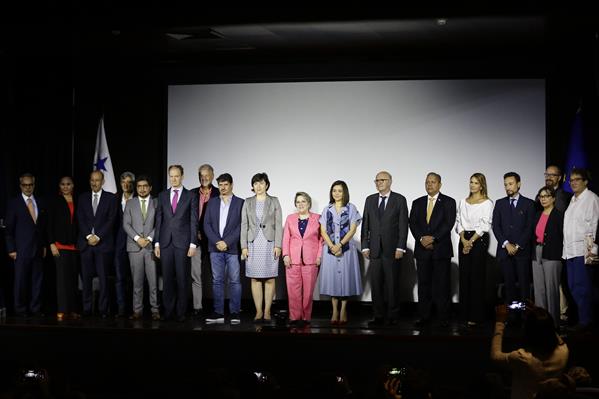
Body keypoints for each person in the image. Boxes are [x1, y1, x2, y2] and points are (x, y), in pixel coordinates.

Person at [491, 304, 569, 399]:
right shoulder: (563, 351)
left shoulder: (523, 358)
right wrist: (541, 318)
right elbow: (550, 332)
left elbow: (495, 356)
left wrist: (499, 322)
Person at [409, 172, 456, 328]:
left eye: (433, 182)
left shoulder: (449, 202)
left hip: (440, 249)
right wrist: (422, 239)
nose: (429, 185)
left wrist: (433, 238)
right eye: (427, 182)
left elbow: (448, 224)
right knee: (424, 285)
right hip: (422, 250)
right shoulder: (417, 202)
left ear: (440, 184)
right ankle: (424, 317)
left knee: (442, 285)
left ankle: (443, 318)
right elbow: (413, 223)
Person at [361, 171, 408, 327]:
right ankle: (378, 316)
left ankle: (393, 316)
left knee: (392, 284)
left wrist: (401, 247)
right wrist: (365, 245)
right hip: (374, 249)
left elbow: (403, 225)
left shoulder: (399, 200)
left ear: (390, 181)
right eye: (377, 180)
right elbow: (365, 224)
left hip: (392, 249)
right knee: (376, 284)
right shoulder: (370, 200)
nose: (379, 182)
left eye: (382, 180)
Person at [154, 165, 198, 322]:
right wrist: (157, 243)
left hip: (183, 243)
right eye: (171, 176)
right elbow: (159, 220)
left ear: (182, 176)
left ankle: (181, 312)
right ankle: (168, 311)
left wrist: (193, 244)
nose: (173, 179)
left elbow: (194, 221)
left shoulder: (191, 196)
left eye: (176, 176)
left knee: (182, 279)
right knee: (167, 279)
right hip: (165, 243)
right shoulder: (162, 195)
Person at [492, 172, 535, 323]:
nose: (507, 187)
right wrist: (506, 244)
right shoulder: (500, 203)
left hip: (521, 252)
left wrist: (517, 245)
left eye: (510, 184)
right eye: (505, 184)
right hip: (505, 251)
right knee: (509, 286)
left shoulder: (529, 204)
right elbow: (496, 226)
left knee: (523, 286)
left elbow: (530, 228)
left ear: (519, 184)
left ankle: (524, 315)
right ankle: (513, 314)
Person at [241, 172, 283, 322]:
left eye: (261, 183)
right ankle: (258, 311)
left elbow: (278, 224)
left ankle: (267, 311)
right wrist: (243, 246)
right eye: (255, 183)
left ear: (266, 184)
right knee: (255, 279)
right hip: (252, 243)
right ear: (253, 186)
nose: (258, 186)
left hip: (269, 243)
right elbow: (244, 225)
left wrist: (278, 245)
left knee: (270, 278)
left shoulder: (274, 201)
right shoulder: (247, 202)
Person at [320, 180, 363, 324]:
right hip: (330, 248)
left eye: (339, 191)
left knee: (346, 279)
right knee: (333, 280)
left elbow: (352, 229)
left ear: (344, 192)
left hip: (346, 249)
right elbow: (323, 230)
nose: (336, 193)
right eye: (334, 191)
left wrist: (340, 245)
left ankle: (343, 310)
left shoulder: (351, 208)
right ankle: (334, 311)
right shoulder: (327, 209)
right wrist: (332, 246)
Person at [203, 173, 244, 324]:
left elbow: (242, 226)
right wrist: (217, 242)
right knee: (217, 281)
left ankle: (235, 312)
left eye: (226, 184)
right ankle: (218, 312)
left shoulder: (240, 203)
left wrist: (226, 242)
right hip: (215, 248)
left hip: (232, 248)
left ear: (232, 185)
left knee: (234, 281)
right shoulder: (212, 202)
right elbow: (206, 225)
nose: (223, 187)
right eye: (220, 184)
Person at [5, 173, 47, 317]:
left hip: (38, 250)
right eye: (25, 185)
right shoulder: (14, 203)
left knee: (37, 281)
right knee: (20, 282)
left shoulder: (40, 202)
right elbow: (9, 230)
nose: (28, 187)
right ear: (20, 185)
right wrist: (11, 249)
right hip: (21, 250)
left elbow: (42, 228)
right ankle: (20, 309)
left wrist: (44, 246)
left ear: (34, 185)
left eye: (30, 185)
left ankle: (35, 309)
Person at [77, 170, 117, 318]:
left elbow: (111, 220)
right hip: (86, 245)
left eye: (97, 180)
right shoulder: (82, 198)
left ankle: (103, 310)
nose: (94, 183)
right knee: (86, 280)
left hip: (103, 244)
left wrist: (98, 236)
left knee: (103, 279)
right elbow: (79, 218)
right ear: (90, 181)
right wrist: (88, 236)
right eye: (92, 180)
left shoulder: (111, 198)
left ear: (103, 181)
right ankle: (87, 309)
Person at [563, 168, 599, 332]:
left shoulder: (591, 198)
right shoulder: (573, 200)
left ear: (585, 181)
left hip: (583, 251)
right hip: (570, 250)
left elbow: (594, 225)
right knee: (573, 286)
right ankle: (583, 320)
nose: (573, 182)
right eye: (571, 180)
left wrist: (593, 251)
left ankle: (587, 322)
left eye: (577, 179)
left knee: (583, 288)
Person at [456, 173, 493, 327]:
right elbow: (459, 222)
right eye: (471, 182)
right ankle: (464, 313)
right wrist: (464, 240)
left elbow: (484, 225)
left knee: (476, 278)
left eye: (476, 183)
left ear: (481, 185)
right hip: (464, 239)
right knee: (464, 277)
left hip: (479, 239)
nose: (472, 185)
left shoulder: (487, 203)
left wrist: (470, 242)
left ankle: (476, 315)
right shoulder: (463, 202)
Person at [123, 175, 160, 320]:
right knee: (136, 282)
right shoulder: (130, 203)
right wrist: (138, 239)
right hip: (135, 247)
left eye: (145, 186)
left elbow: (159, 223)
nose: (142, 189)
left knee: (153, 281)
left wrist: (149, 238)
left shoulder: (156, 202)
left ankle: (155, 310)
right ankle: (137, 310)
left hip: (150, 247)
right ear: (136, 188)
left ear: (150, 188)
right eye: (139, 186)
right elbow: (126, 224)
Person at [282, 191, 322, 326]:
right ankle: (295, 317)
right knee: (293, 290)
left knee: (308, 292)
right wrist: (285, 255)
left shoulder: (318, 218)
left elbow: (322, 240)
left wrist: (319, 256)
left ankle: (306, 318)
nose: (300, 204)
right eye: (298, 202)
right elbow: (286, 238)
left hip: (311, 260)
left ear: (309, 203)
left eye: (303, 201)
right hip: (293, 260)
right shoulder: (290, 218)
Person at [539, 165, 572, 326]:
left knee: (557, 285)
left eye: (552, 175)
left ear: (560, 177)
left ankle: (559, 317)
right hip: (540, 249)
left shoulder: (565, 196)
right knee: (544, 287)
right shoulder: (538, 201)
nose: (549, 177)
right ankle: (543, 319)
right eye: (547, 174)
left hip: (557, 248)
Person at [47, 176, 80, 321]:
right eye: (63, 184)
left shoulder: (78, 201)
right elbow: (48, 224)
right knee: (62, 280)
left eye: (68, 184)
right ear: (59, 186)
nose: (65, 187)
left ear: (73, 186)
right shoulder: (54, 202)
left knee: (73, 280)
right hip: (59, 245)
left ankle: (73, 309)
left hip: (75, 246)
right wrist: (51, 243)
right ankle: (62, 310)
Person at [189, 164, 219, 318]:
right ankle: (197, 307)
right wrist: (195, 233)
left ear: (212, 176)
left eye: (207, 175)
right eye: (201, 175)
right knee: (196, 275)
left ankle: (217, 307)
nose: (204, 178)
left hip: (213, 241)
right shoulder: (191, 193)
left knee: (216, 276)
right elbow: (188, 218)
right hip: (197, 241)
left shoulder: (219, 193)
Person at [532, 186, 564, 326]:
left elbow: (563, 237)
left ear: (553, 198)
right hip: (536, 252)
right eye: (541, 196)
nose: (543, 199)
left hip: (552, 253)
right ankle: (541, 324)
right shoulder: (537, 214)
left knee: (551, 290)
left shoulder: (559, 215)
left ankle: (554, 323)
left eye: (546, 196)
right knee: (539, 290)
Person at [113, 171, 135, 317]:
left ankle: (136, 309)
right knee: (119, 278)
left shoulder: (140, 199)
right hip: (119, 245)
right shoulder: (113, 199)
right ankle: (121, 309)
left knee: (136, 279)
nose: (126, 185)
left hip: (136, 244)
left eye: (129, 182)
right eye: (123, 182)